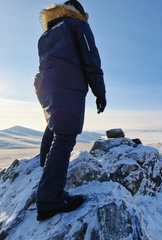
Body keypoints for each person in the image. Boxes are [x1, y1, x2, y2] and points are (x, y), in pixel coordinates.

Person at [34, 0, 106, 221]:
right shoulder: (77, 25)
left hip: (45, 83)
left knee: (56, 123)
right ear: (80, 12)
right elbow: (90, 58)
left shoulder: (46, 34)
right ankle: (50, 200)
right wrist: (99, 92)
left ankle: (46, 165)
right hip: (67, 82)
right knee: (65, 136)